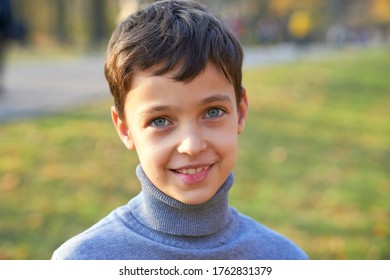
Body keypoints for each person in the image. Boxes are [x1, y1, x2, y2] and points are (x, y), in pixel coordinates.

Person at [52, 0, 308, 260]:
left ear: (240, 112)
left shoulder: (285, 259)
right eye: (160, 120)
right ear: (125, 128)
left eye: (213, 112)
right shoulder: (82, 261)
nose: (192, 145)